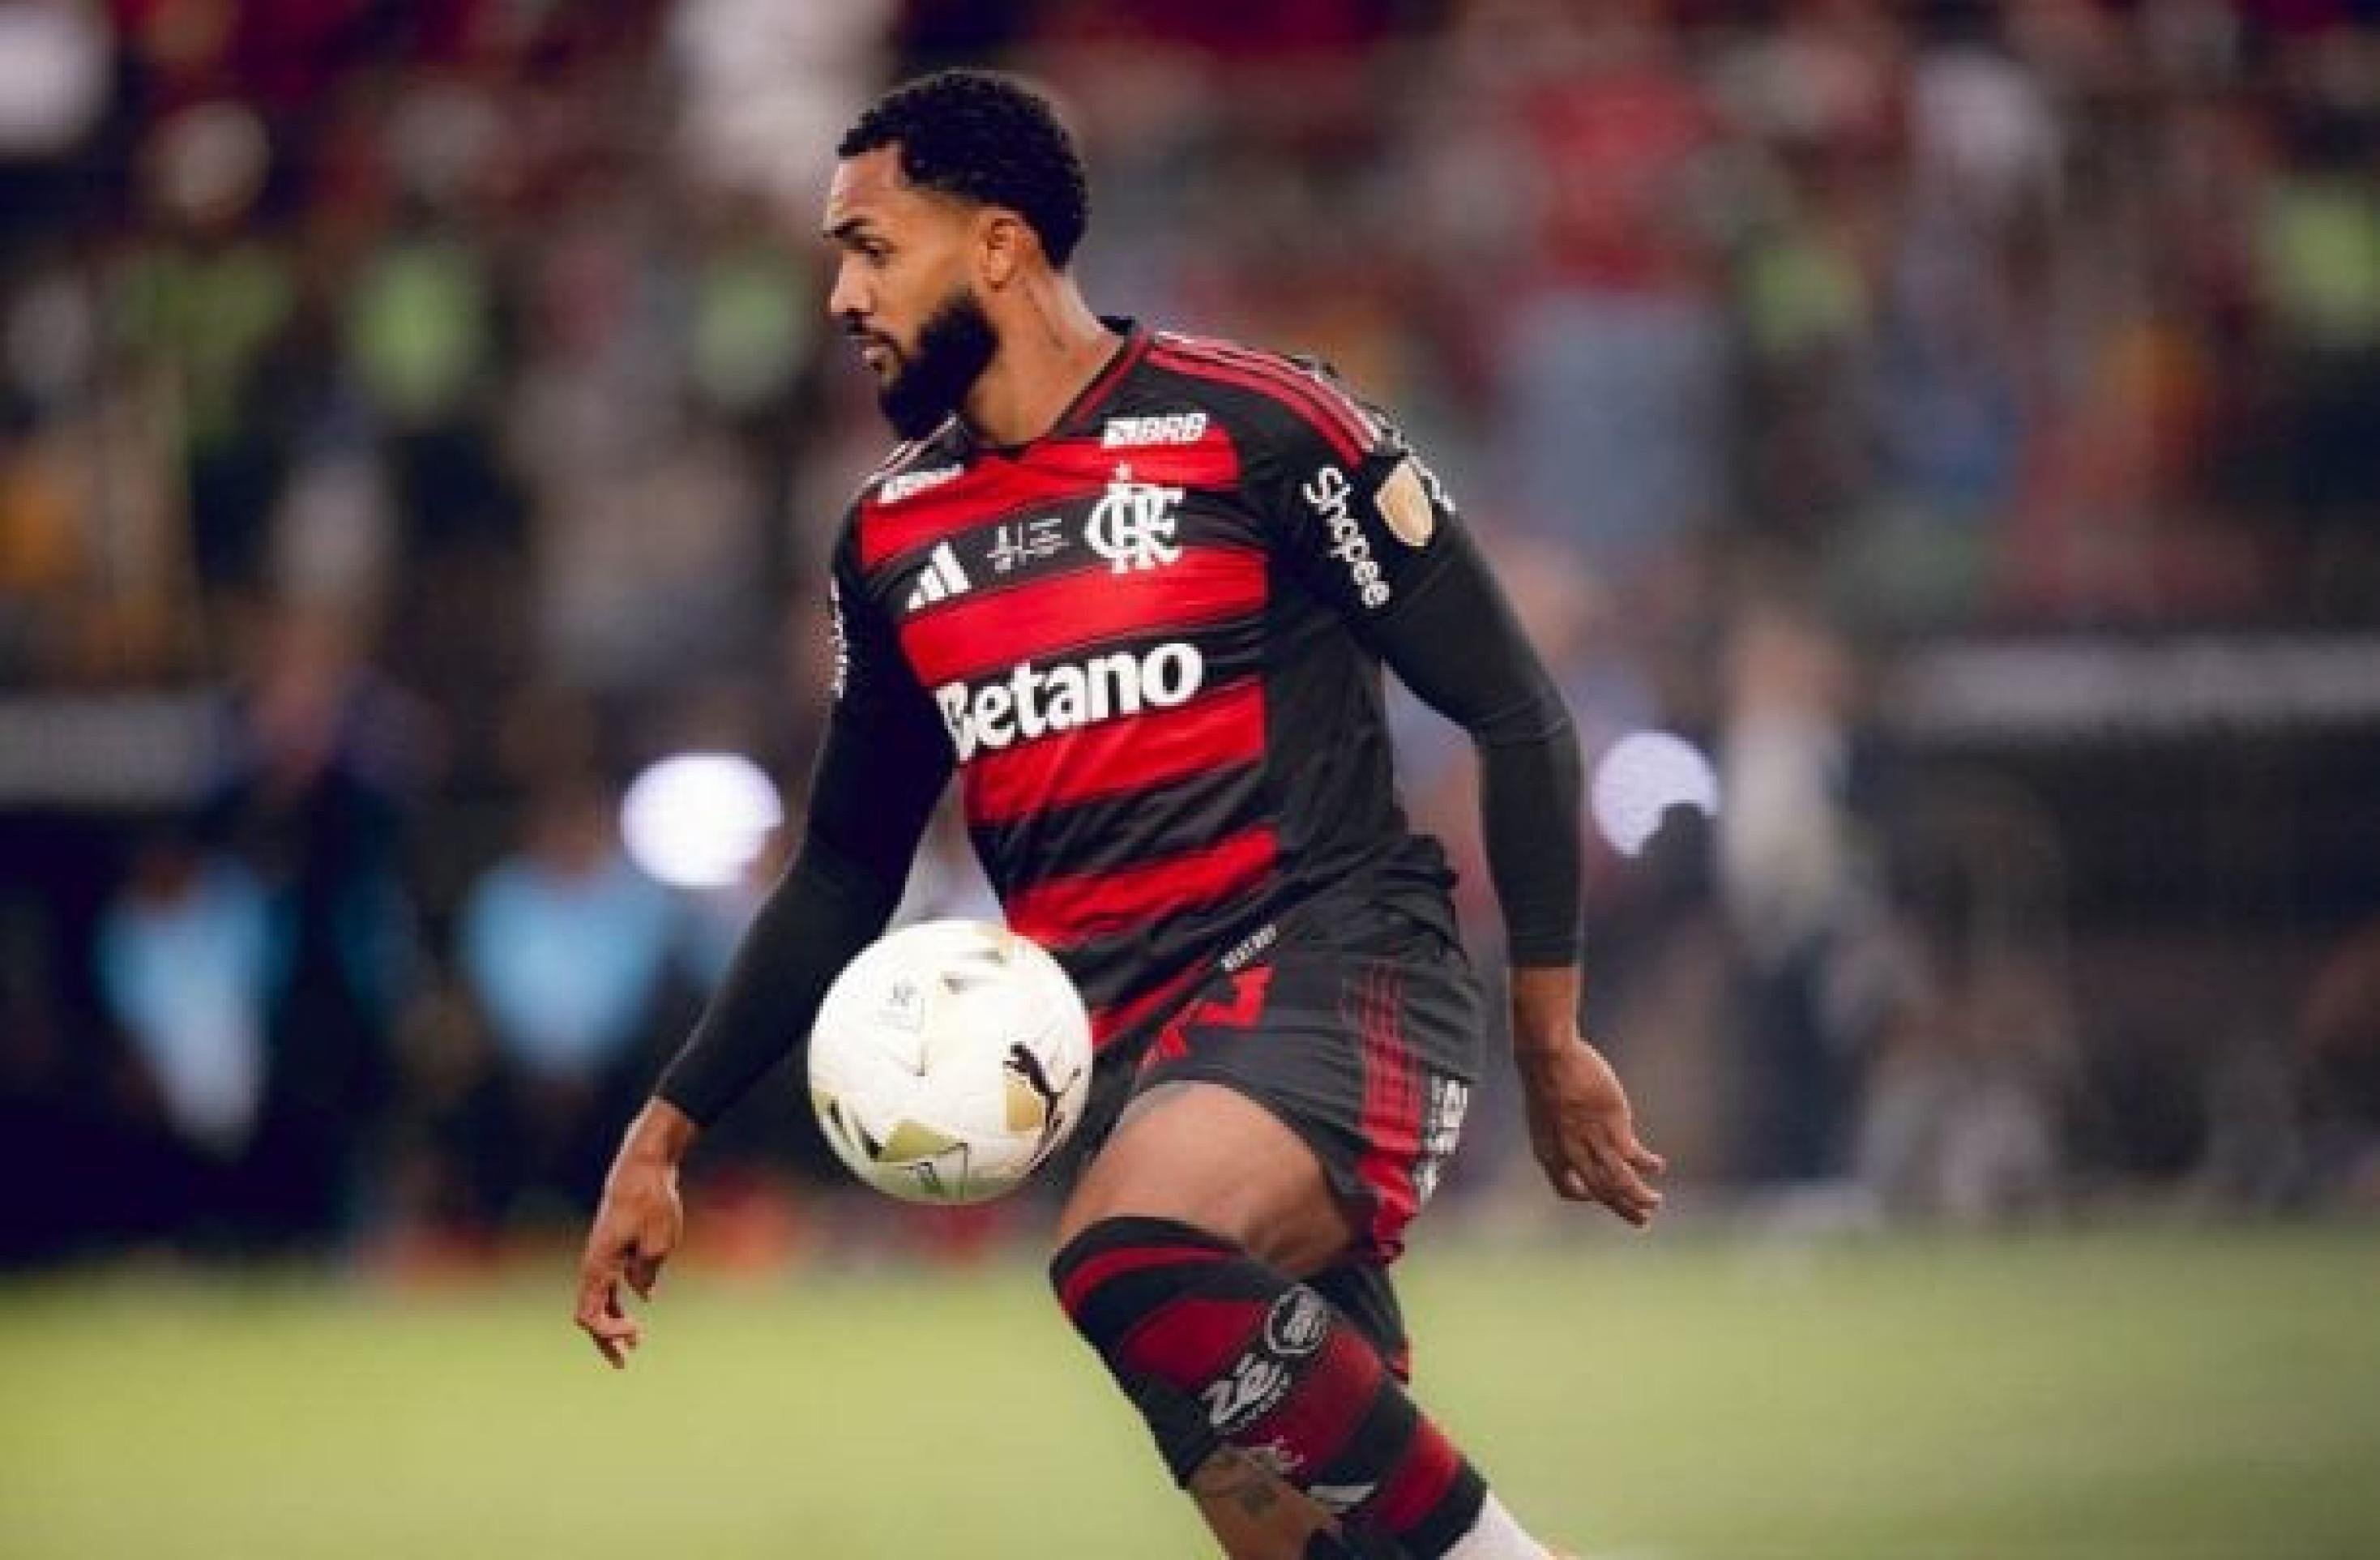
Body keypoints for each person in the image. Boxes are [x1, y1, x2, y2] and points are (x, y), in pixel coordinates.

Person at [575, 71, 1664, 1560]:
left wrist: (1548, 1034)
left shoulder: (1260, 425)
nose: (840, 296)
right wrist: (664, 1128)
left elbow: (1517, 708)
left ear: (1000, 245)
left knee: (1125, 1255)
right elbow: (841, 868)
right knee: (1309, 1536)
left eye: (872, 248)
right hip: (1121, 1068)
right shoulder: (889, 536)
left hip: (1336, 972)